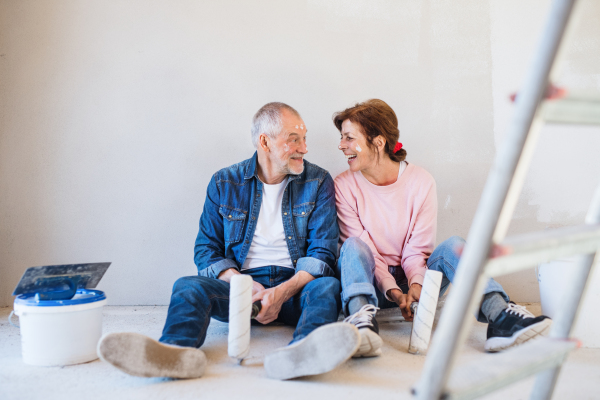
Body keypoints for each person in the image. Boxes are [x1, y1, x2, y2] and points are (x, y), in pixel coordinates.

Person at [98, 102, 360, 380]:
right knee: (187, 286)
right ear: (265, 142)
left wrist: (282, 291)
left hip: (296, 286)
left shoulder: (318, 181)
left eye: (304, 138)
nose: (304, 148)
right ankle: (175, 353)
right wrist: (241, 285)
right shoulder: (225, 182)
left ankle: (302, 354)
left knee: (327, 287)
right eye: (294, 140)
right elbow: (206, 249)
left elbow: (323, 251)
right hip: (240, 288)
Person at [333, 99, 551, 357]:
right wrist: (391, 289)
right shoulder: (344, 185)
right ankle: (361, 324)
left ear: (378, 142)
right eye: (342, 138)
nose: (341, 145)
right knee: (352, 247)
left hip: (417, 279)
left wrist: (415, 284)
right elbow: (364, 247)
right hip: (370, 282)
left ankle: (501, 317)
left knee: (454, 246)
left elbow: (418, 248)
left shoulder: (420, 181)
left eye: (348, 137)